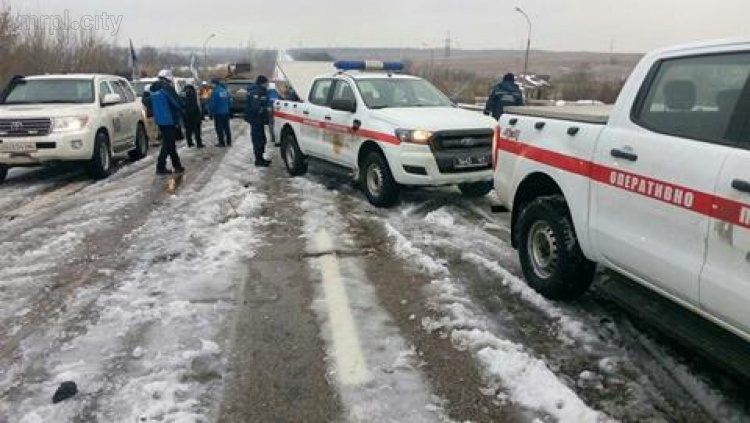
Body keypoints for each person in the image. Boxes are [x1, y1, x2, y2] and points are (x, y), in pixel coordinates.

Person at [150, 79, 185, 175]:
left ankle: (177, 166)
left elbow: (148, 104)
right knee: (168, 145)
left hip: (160, 121)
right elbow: (176, 103)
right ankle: (160, 167)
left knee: (170, 144)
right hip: (169, 120)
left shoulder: (152, 92)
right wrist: (182, 109)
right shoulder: (166, 91)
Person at [244, 75, 272, 167]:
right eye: (266, 83)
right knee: (258, 140)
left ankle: (260, 158)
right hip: (256, 120)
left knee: (262, 139)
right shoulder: (256, 92)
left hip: (258, 120)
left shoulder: (259, 91)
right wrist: (266, 109)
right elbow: (256, 108)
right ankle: (258, 160)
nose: (267, 85)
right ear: (262, 83)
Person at [208, 78, 232, 147]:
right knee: (227, 127)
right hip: (226, 112)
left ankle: (221, 143)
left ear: (214, 84)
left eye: (211, 84)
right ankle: (229, 142)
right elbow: (230, 100)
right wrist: (227, 108)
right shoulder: (225, 91)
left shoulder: (215, 92)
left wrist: (210, 112)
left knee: (219, 128)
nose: (211, 85)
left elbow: (212, 104)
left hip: (218, 113)